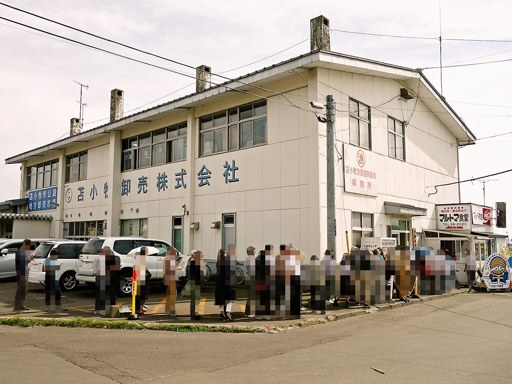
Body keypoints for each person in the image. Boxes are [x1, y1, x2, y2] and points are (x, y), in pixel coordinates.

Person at [215, 249, 236, 321]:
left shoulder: (218, 262)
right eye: (225, 253)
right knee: (229, 299)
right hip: (227, 283)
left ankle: (222, 313)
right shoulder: (227, 263)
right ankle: (228, 313)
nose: (226, 254)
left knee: (221, 299)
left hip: (219, 283)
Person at [14, 239, 35, 311]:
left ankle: (20, 305)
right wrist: (31, 258)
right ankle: (18, 305)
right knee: (21, 289)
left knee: (22, 289)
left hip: (23, 272)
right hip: (22, 273)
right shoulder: (20, 252)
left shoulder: (22, 251)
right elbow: (23, 262)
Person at [43, 248, 62, 312]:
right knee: (49, 293)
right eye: (56, 255)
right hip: (49, 279)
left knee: (57, 293)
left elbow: (58, 268)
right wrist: (55, 267)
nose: (57, 256)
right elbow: (46, 268)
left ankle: (58, 306)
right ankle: (48, 307)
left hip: (56, 279)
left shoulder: (56, 260)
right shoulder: (48, 259)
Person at [187, 249, 203, 320]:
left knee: (195, 300)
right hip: (194, 283)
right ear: (193, 255)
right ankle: (193, 315)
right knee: (194, 300)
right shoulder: (193, 262)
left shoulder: (192, 262)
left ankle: (194, 313)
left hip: (194, 282)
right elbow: (194, 274)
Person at [104, 246, 120, 315]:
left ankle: (111, 307)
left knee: (111, 293)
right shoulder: (117, 258)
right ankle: (112, 305)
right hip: (115, 278)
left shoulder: (108, 259)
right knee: (113, 293)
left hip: (111, 277)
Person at [164, 247, 178, 317]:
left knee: (169, 295)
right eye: (174, 252)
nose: (175, 253)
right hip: (171, 279)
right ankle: (172, 311)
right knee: (172, 295)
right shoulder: (170, 259)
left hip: (168, 278)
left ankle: (167, 311)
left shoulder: (166, 258)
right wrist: (177, 266)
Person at [93, 247, 106, 315]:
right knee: (99, 293)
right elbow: (94, 266)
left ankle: (102, 308)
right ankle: (97, 308)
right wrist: (95, 273)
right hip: (99, 276)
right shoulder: (97, 258)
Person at [244, 246, 256, 318]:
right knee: (252, 297)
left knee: (249, 297)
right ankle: (251, 313)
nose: (255, 253)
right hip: (252, 280)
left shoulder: (247, 259)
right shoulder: (251, 259)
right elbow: (252, 271)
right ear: (252, 252)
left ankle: (247, 312)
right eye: (254, 252)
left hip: (247, 280)